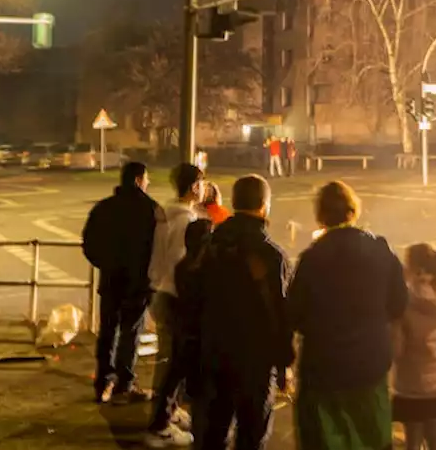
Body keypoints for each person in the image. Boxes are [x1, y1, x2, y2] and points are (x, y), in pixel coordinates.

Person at [289, 181, 407, 450]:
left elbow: (294, 313)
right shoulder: (380, 250)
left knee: (326, 439)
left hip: (324, 368)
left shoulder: (313, 257)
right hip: (369, 364)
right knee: (370, 437)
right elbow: (399, 303)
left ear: (321, 214)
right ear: (353, 210)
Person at [193, 175, 292, 450]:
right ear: (264, 205)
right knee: (251, 433)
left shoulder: (210, 245)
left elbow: (193, 296)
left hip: (212, 352)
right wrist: (285, 361)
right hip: (255, 359)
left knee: (212, 430)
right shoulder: (270, 255)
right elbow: (280, 310)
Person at [83, 161, 164, 404]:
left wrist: (106, 264)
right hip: (138, 283)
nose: (148, 183)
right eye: (146, 179)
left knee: (108, 331)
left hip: (111, 280)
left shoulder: (104, 208)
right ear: (139, 180)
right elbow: (159, 248)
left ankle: (103, 382)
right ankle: (124, 383)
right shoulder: (152, 210)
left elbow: (89, 244)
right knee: (131, 333)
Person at [145, 164, 205, 446]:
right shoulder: (185, 222)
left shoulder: (165, 216)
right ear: (194, 187)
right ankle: (159, 424)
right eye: (202, 183)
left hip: (159, 290)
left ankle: (169, 410)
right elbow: (184, 265)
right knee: (173, 363)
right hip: (174, 297)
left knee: (169, 359)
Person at [391, 243, 436, 450]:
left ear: (415, 270)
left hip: (410, 385)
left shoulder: (404, 306)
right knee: (434, 437)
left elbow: (398, 349)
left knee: (412, 441)